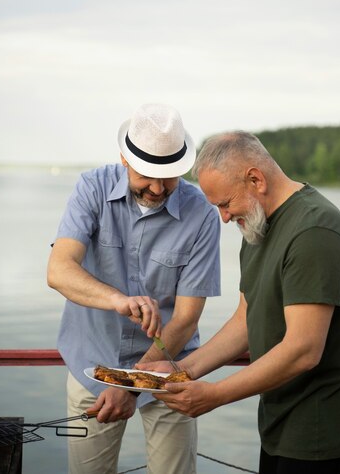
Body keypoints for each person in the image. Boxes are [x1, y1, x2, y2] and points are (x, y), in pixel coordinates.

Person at [138, 130, 340, 474]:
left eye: (225, 204)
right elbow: (245, 320)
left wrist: (215, 395)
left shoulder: (314, 233)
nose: (223, 218)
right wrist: (181, 369)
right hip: (282, 422)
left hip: (325, 432)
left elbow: (303, 349)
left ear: (255, 179)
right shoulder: (256, 225)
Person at [47, 103, 221, 474]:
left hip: (167, 372)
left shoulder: (203, 213)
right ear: (124, 159)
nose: (158, 188)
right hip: (91, 368)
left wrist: (129, 385)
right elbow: (59, 271)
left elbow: (187, 319)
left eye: (170, 177)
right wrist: (119, 300)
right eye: (148, 175)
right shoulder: (91, 187)